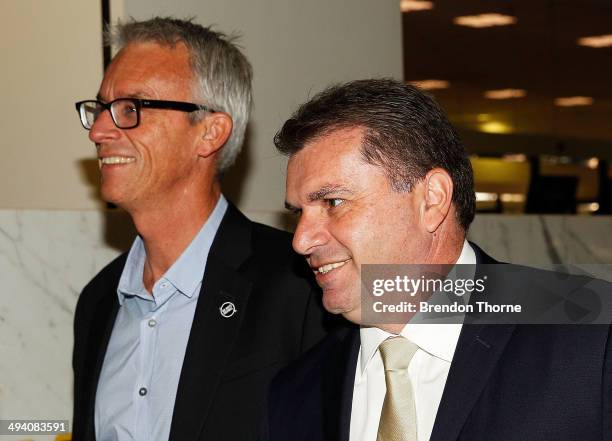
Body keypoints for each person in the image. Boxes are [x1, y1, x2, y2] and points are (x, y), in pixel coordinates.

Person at [261, 79, 612, 441]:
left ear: (432, 199)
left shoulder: (590, 338)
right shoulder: (293, 396)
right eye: (297, 214)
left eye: (333, 203)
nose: (302, 240)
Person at [72, 17, 330, 441]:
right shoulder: (99, 301)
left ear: (210, 132)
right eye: (100, 109)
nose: (99, 131)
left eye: (130, 109)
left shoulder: (301, 285)